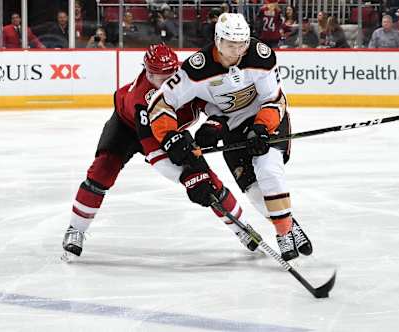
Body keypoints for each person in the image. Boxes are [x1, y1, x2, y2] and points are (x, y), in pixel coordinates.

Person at [62, 44, 258, 259]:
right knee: (102, 171)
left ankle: (242, 228)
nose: (163, 84)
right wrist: (187, 179)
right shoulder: (142, 98)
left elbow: (212, 103)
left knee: (207, 179)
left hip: (170, 129)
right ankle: (75, 229)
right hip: (127, 128)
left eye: (168, 76)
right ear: (146, 72)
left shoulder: (189, 78)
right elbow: (156, 155)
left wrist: (215, 124)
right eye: (156, 77)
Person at [147, 13, 313, 261]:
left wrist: (261, 127)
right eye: (230, 45)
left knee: (269, 169)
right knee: (254, 189)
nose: (236, 51)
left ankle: (283, 232)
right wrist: (170, 136)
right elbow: (161, 103)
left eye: (241, 44)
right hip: (231, 127)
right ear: (217, 40)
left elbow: (274, 99)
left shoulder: (260, 55)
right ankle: (288, 223)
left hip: (264, 118)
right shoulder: (196, 67)